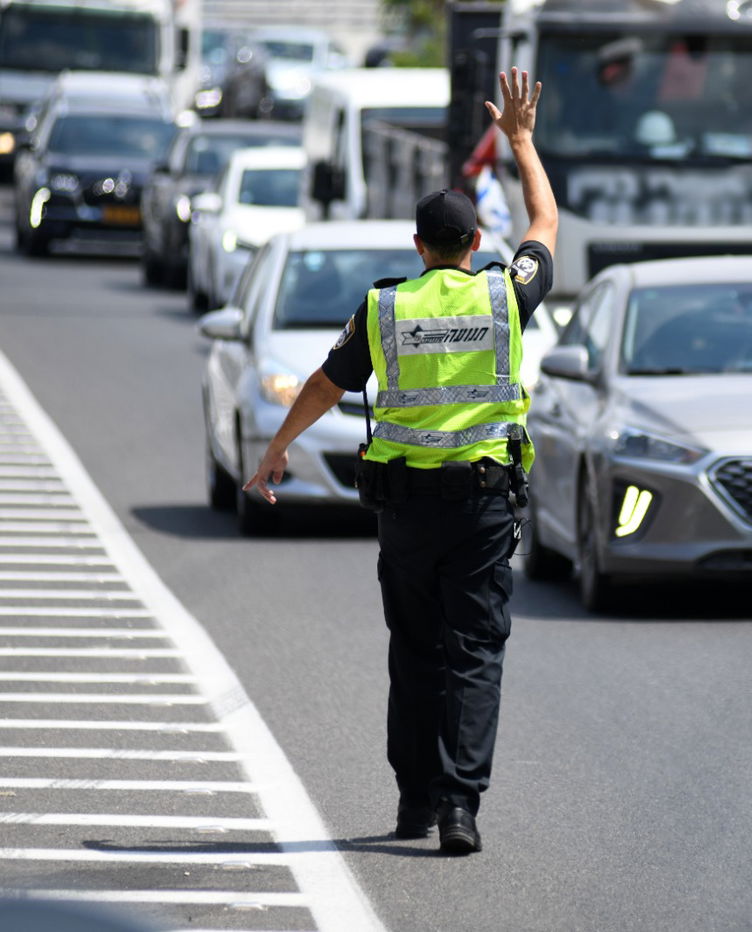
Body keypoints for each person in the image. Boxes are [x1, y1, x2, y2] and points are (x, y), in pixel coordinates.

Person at [242, 67, 558, 854]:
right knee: (475, 654)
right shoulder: (504, 295)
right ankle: (459, 809)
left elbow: (324, 383)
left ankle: (415, 803)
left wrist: (276, 450)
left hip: (406, 513)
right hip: (484, 507)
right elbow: (546, 220)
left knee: (415, 653)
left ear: (418, 248)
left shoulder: (385, 307)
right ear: (475, 244)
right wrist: (520, 140)